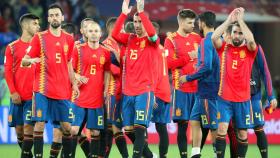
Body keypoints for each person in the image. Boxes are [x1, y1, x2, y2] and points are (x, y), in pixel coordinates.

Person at [21, 4, 79, 158]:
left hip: (62, 90)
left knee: (66, 128)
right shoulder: (39, 37)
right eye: (51, 15)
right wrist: (31, 60)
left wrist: (73, 83)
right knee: (39, 124)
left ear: (62, 17)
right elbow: (24, 61)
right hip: (42, 89)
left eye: (57, 15)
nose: (54, 17)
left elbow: (68, 64)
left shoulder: (69, 39)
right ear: (48, 18)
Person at [112, 0, 159, 157]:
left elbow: (152, 35)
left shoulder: (153, 42)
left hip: (144, 91)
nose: (138, 25)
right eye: (135, 21)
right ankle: (149, 155)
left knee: (140, 130)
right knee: (129, 130)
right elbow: (114, 34)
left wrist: (141, 12)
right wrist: (124, 13)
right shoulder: (130, 39)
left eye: (140, 22)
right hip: (128, 93)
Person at [211, 7, 258, 158]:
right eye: (235, 33)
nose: (237, 36)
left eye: (240, 33)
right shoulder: (224, 48)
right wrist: (230, 20)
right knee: (222, 129)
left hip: (243, 99)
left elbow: (251, 39)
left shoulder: (250, 50)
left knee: (242, 134)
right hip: (224, 99)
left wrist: (241, 21)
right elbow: (214, 37)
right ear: (230, 35)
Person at [180, 11, 219, 158]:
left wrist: (188, 77)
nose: (197, 25)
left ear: (202, 23)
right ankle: (195, 153)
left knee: (213, 125)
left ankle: (218, 154)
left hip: (208, 90)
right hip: (202, 91)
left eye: (198, 23)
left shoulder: (206, 41)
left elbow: (207, 66)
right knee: (194, 121)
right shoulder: (215, 39)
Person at [164, 9, 201, 158]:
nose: (193, 25)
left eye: (194, 22)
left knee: (198, 124)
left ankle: (196, 154)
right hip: (181, 89)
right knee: (183, 125)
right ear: (180, 22)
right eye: (190, 22)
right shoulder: (171, 40)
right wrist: (188, 57)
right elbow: (167, 63)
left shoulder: (197, 38)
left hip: (198, 89)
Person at [71, 21, 111, 158]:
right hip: (81, 97)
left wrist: (105, 89)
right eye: (91, 31)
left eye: (96, 31)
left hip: (97, 98)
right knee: (74, 130)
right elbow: (69, 68)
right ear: (86, 34)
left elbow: (107, 71)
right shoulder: (78, 49)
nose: (93, 33)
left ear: (100, 34)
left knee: (95, 132)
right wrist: (77, 77)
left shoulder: (105, 52)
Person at [4, 13, 40, 158]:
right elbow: (7, 72)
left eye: (38, 23)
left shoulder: (41, 47)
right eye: (35, 23)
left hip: (33, 96)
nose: (38, 26)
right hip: (17, 95)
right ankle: (28, 155)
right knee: (19, 131)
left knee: (28, 128)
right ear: (25, 25)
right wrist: (13, 92)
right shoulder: (12, 47)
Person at [102, 17, 129, 158]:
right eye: (121, 28)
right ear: (113, 29)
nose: (123, 31)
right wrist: (122, 65)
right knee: (113, 127)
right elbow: (111, 69)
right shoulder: (106, 46)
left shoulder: (121, 45)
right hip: (112, 91)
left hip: (123, 92)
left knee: (113, 127)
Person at [249, 44, 277, 158]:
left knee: (259, 128)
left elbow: (265, 72)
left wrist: (271, 97)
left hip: (254, 95)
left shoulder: (255, 48)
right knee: (236, 131)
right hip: (234, 98)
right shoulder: (227, 47)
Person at [150, 21, 171, 158]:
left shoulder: (151, 49)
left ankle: (146, 154)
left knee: (139, 126)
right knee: (161, 127)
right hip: (166, 92)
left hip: (155, 92)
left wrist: (150, 94)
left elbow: (151, 72)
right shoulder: (163, 48)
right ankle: (163, 156)